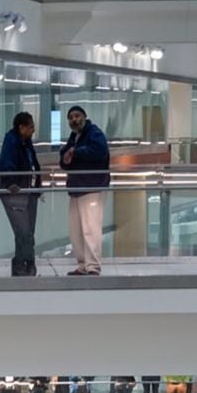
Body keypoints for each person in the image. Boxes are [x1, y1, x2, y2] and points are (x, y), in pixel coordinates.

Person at [60, 106, 110, 277]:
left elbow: (99, 152)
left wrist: (75, 153)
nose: (74, 120)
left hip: (91, 187)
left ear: (84, 117)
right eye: (71, 117)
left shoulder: (94, 133)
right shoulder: (74, 137)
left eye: (77, 116)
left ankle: (93, 266)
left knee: (90, 228)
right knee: (76, 230)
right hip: (76, 188)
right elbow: (64, 157)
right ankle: (82, 264)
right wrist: (67, 157)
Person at [0, 112, 43, 278]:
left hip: (30, 192)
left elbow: (33, 166)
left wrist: (37, 186)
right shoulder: (12, 142)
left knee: (27, 232)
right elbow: (6, 164)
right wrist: (11, 183)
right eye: (31, 127)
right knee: (24, 232)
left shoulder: (26, 143)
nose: (33, 130)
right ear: (21, 128)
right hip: (16, 192)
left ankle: (25, 265)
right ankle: (24, 264)